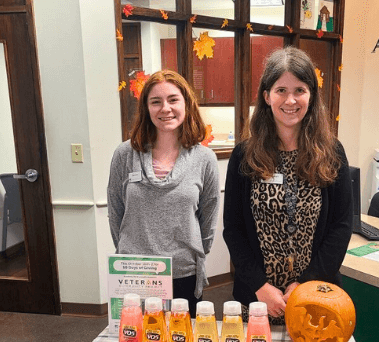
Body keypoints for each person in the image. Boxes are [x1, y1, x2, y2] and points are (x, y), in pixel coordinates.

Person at [223, 47, 353, 324]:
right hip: (257, 299)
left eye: (300, 90)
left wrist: (305, 285)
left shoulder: (332, 152)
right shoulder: (244, 155)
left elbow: (341, 226)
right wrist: (260, 286)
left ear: (311, 96)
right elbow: (233, 230)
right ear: (267, 96)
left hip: (315, 297)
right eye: (281, 90)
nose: (290, 100)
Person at [108, 70, 220, 317]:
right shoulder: (125, 155)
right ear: (146, 108)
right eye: (155, 101)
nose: (165, 108)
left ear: (186, 103)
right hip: (135, 274)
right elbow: (116, 212)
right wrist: (131, 252)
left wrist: (193, 254)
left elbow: (208, 220)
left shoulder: (204, 159)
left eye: (173, 99)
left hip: (183, 273)